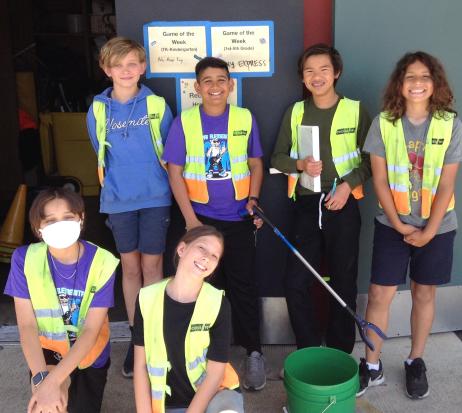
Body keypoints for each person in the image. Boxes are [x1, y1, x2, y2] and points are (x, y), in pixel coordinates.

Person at [357, 51, 462, 399]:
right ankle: (371, 366)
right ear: (399, 85)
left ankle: (415, 360)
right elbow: (380, 181)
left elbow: (446, 183)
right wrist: (401, 226)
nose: (417, 83)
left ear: (435, 84)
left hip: (438, 225)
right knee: (379, 294)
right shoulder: (384, 123)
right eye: (410, 77)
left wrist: (429, 230)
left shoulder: (450, 123)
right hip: (393, 224)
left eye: (425, 77)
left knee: (424, 292)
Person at [163, 57, 266, 390]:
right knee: (204, 291)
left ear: (230, 85)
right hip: (201, 222)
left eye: (221, 80)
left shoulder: (244, 118)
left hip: (238, 220)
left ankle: (253, 353)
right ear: (197, 87)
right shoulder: (185, 122)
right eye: (207, 81)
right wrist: (191, 221)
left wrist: (253, 201)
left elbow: (255, 164)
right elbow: (174, 172)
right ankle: (204, 358)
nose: (215, 87)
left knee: (244, 287)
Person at [271, 44, 371, 354]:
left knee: (343, 280)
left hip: (343, 203)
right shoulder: (296, 111)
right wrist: (299, 165)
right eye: (309, 71)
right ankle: (309, 350)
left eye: (324, 70)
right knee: (296, 281)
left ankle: (341, 352)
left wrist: (347, 186)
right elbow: (276, 158)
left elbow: (371, 161)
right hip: (305, 205)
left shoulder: (355, 109)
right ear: (302, 77)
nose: (317, 76)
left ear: (336, 73)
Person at [86, 36, 173, 377]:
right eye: (118, 65)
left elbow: (169, 152)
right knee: (130, 268)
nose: (126, 71)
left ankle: (155, 337)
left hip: (155, 198)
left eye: (132, 64)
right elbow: (101, 153)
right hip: (119, 201)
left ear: (143, 67)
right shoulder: (97, 109)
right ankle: (138, 340)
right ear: (106, 69)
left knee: (153, 268)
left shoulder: (157, 105)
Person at [4, 188, 119, 413]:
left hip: (89, 354)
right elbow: (27, 326)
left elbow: (90, 330)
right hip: (48, 350)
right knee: (47, 406)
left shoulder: (103, 262)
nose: (60, 225)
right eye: (51, 220)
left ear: (81, 218)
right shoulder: (24, 259)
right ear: (38, 228)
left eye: (68, 218)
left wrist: (53, 383)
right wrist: (42, 381)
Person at [133, 225, 244, 413]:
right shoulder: (146, 298)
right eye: (202, 248)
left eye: (214, 256)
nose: (207, 258)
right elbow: (140, 366)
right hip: (167, 403)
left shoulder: (218, 303)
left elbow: (215, 374)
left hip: (214, 395)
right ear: (182, 249)